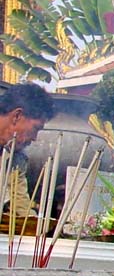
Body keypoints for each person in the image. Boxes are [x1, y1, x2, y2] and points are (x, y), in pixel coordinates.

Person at [0, 83, 55, 214]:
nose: (34, 138)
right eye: (35, 129)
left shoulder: (15, 158)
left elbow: (20, 209)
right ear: (17, 116)